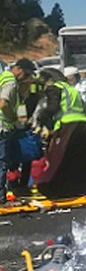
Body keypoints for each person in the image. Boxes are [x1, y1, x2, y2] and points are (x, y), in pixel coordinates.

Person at [35, 68, 86, 198]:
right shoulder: (71, 89)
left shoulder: (54, 88)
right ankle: (83, 186)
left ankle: (57, 188)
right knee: (78, 158)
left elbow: (53, 108)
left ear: (50, 80)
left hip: (67, 125)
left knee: (60, 158)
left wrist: (41, 118)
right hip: (82, 124)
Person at [0, 59, 35, 195]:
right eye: (25, 74)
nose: (26, 78)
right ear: (19, 69)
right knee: (2, 162)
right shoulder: (10, 82)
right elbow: (3, 104)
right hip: (3, 127)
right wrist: (13, 117)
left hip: (7, 127)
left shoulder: (3, 78)